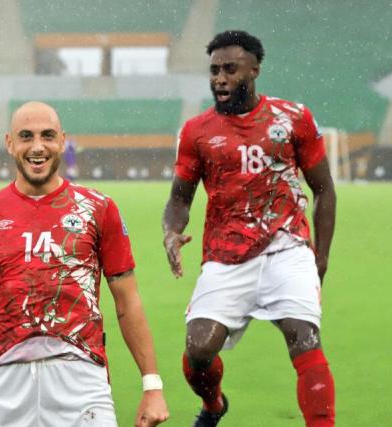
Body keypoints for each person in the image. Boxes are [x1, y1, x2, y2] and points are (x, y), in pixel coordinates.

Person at [0, 101, 170, 427]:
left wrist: (152, 385)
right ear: (9, 143)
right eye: (26, 136)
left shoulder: (98, 209)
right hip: (0, 377)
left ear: (62, 141)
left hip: (78, 378)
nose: (37, 147)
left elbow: (127, 302)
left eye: (47, 136)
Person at [161, 30, 337, 427]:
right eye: (214, 71)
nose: (219, 79)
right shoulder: (196, 131)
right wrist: (171, 231)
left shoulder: (293, 118)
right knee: (199, 351)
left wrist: (320, 256)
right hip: (226, 254)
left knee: (304, 337)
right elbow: (179, 199)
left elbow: (325, 190)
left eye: (230, 69)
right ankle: (213, 404)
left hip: (287, 246)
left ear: (254, 70)